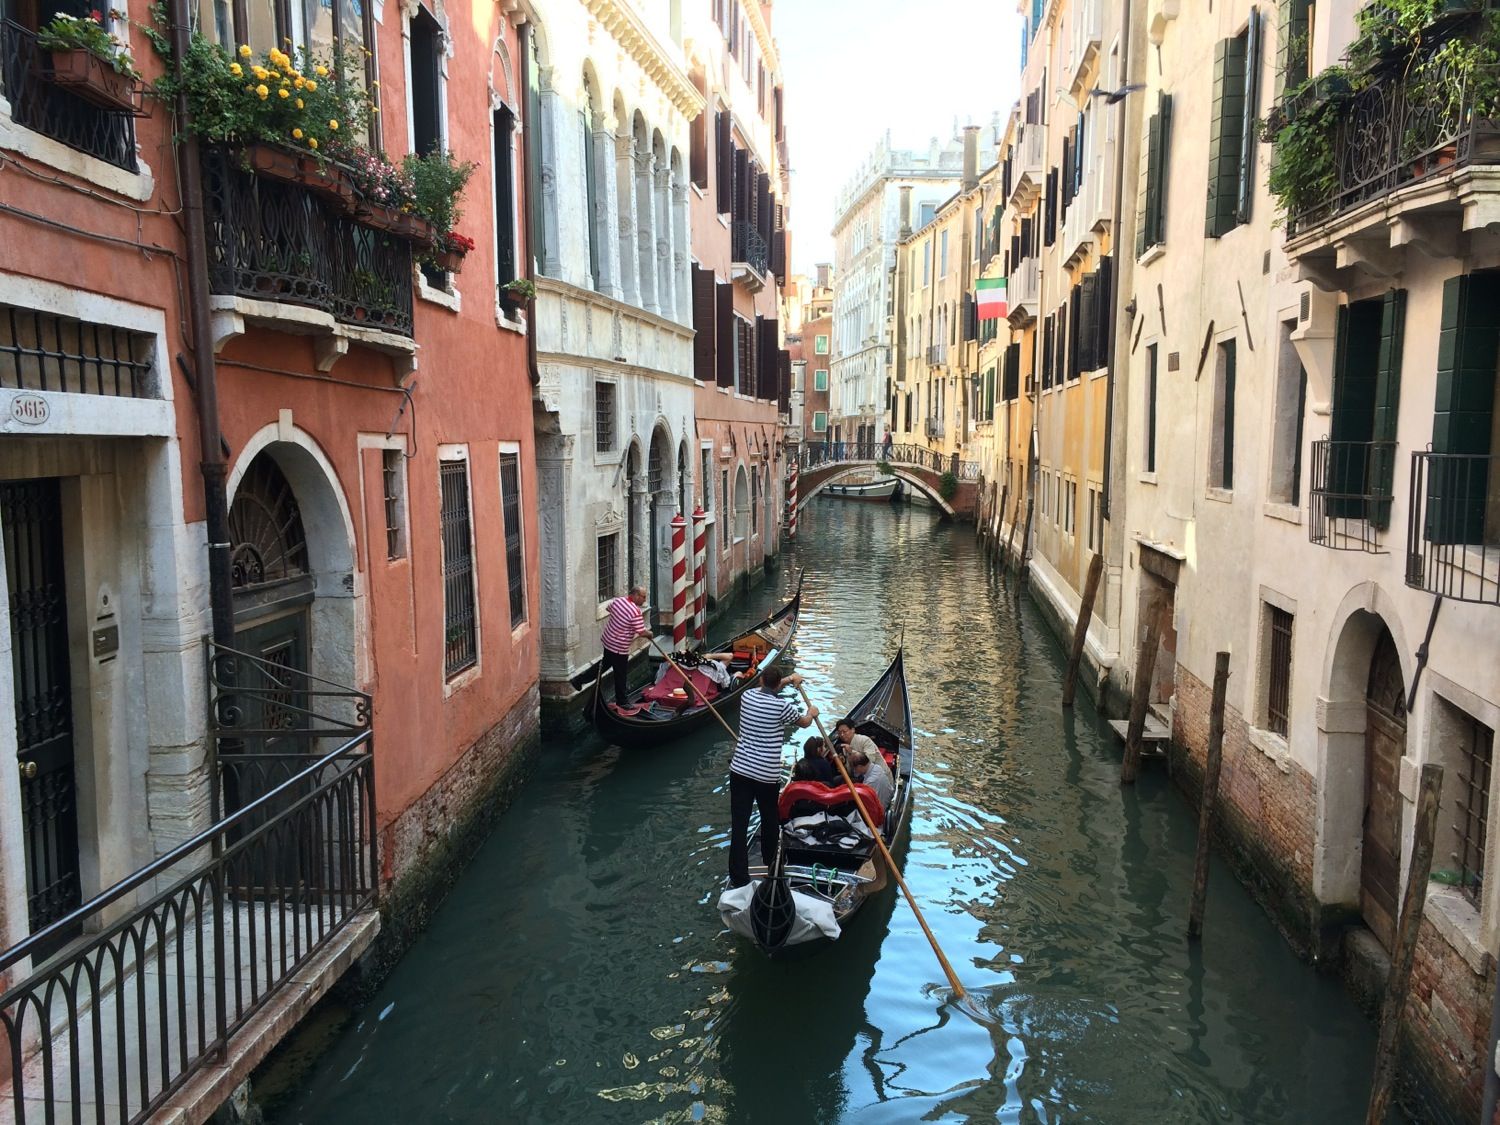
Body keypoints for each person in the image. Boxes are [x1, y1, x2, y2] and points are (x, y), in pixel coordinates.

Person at [728, 665, 817, 887]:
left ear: (761, 681)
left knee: (739, 823)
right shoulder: (782, 707)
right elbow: (804, 723)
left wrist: (789, 679)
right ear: (777, 684)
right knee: (769, 820)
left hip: (740, 770)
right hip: (765, 775)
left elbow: (769, 685)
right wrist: (812, 713)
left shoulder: (747, 696)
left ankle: (738, 877)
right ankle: (771, 864)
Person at [600, 585, 651, 711]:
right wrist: (650, 634)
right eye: (643, 597)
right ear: (636, 595)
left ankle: (579, 680)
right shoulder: (635, 611)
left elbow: (609, 609)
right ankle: (622, 702)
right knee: (620, 675)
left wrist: (621, 622)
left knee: (605, 664)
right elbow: (641, 632)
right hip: (619, 647)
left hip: (608, 641)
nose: (644, 600)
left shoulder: (618, 601)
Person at [834, 718, 893, 803]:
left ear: (853, 730)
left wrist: (851, 752)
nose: (842, 735)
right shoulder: (844, 747)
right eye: (840, 733)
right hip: (860, 777)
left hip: (878, 778)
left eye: (844, 731)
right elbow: (850, 770)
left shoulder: (865, 741)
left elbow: (868, 761)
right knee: (838, 781)